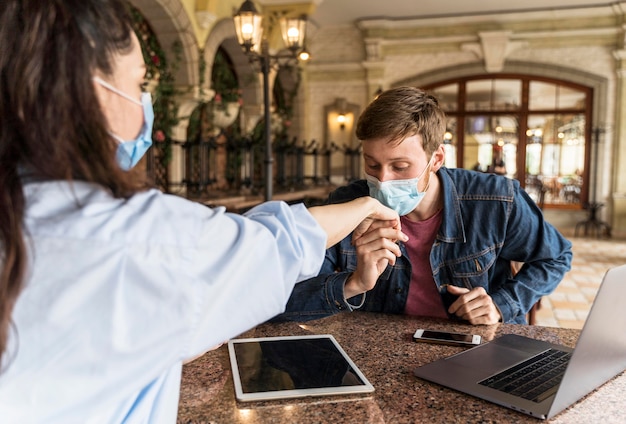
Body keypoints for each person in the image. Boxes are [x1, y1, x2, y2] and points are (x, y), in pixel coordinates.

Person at [0, 1, 405, 421]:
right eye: (140, 83)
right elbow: (275, 246)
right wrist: (365, 206)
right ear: (94, 91)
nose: (145, 102)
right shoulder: (144, 238)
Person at [274, 86, 573, 325]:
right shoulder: (345, 206)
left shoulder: (495, 199)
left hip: (477, 350)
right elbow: (283, 304)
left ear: (437, 159)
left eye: (400, 166)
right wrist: (353, 284)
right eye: (372, 164)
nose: (384, 180)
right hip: (383, 358)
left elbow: (556, 257)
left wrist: (502, 304)